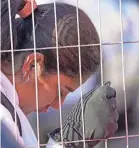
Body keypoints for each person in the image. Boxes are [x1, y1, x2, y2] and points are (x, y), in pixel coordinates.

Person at [0, 0, 118, 147]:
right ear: (32, 65)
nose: (57, 105)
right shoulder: (3, 118)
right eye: (60, 92)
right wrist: (70, 142)